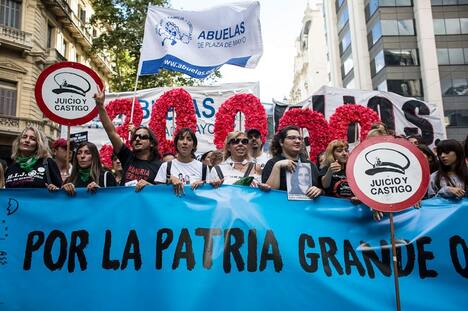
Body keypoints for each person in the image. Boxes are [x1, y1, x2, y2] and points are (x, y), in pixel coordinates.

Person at [94, 90, 162, 191]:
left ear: (151, 143)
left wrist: (150, 187)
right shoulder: (127, 157)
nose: (138, 139)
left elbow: (163, 195)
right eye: (135, 137)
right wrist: (100, 106)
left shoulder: (160, 166)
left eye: (143, 137)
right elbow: (112, 133)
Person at [262, 125, 322, 198]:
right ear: (281, 142)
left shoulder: (310, 164)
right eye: (292, 138)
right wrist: (277, 166)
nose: (297, 141)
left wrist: (319, 190)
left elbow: (322, 188)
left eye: (299, 138)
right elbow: (269, 193)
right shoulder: (272, 163)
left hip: (306, 208)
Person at [154, 128, 210, 195]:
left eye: (189, 139)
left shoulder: (203, 168)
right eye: (181, 139)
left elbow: (210, 192)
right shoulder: (165, 166)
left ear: (194, 145)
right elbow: (157, 193)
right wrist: (169, 180)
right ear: (176, 144)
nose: (185, 142)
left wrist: (204, 185)